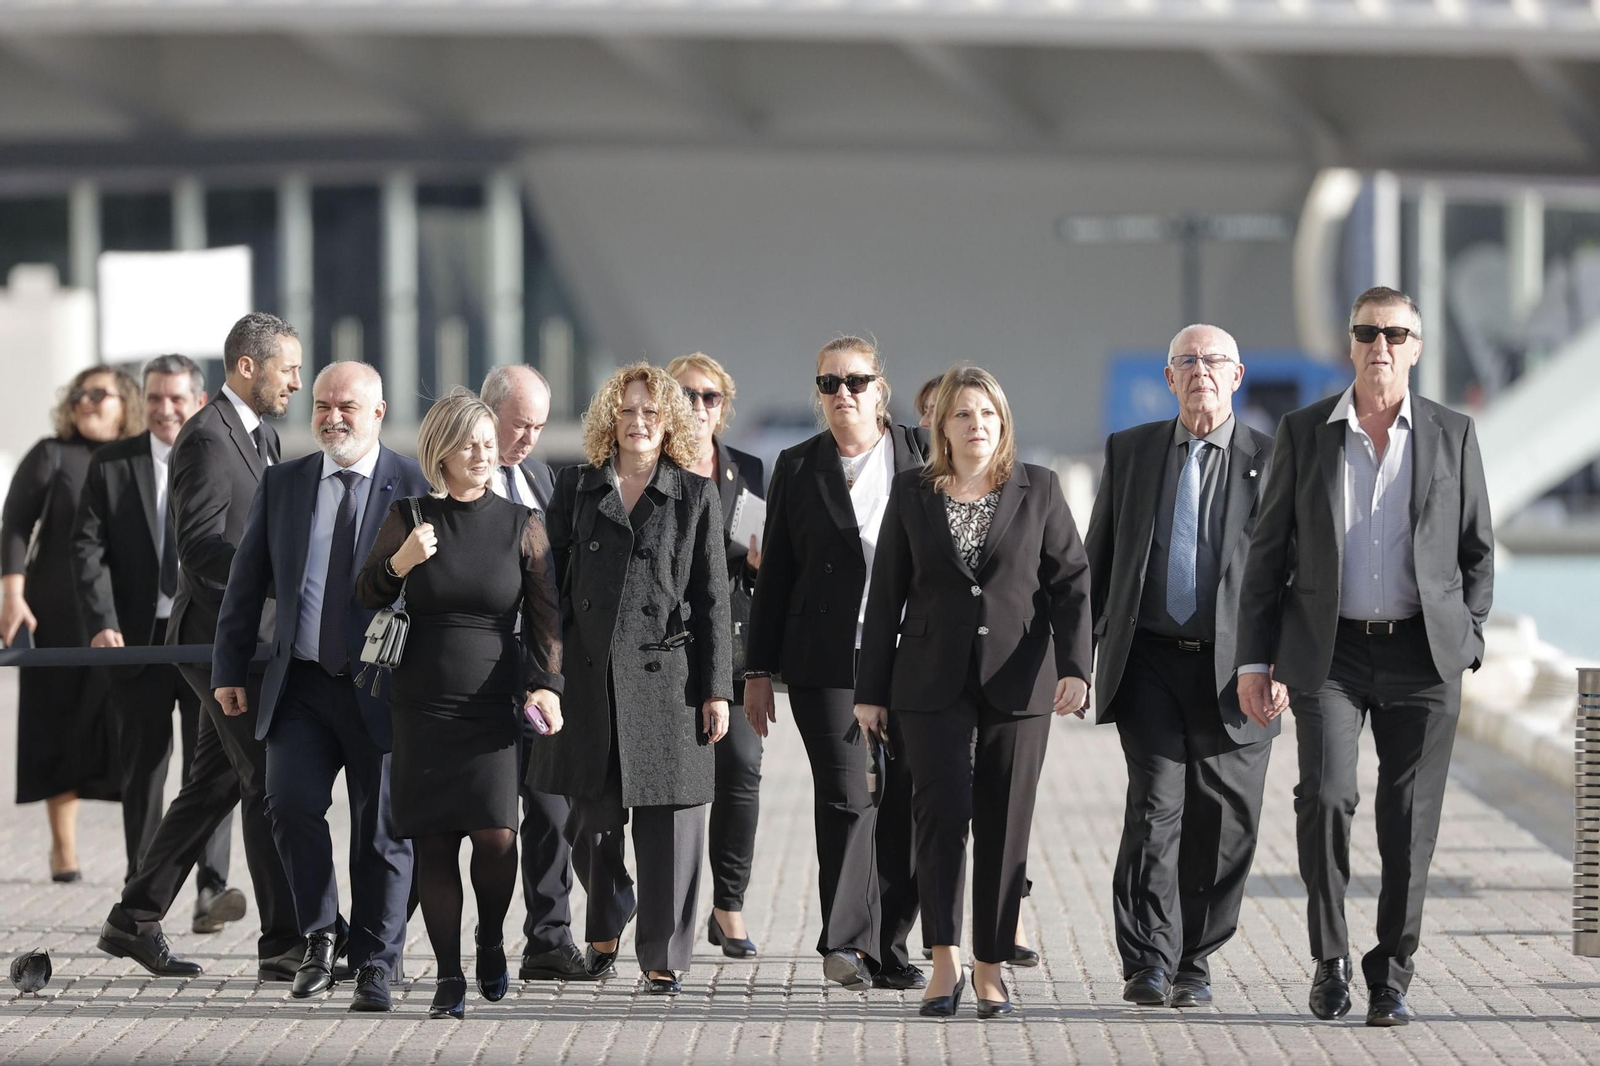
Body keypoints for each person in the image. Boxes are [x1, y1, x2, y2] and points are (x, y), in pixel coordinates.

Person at [1235, 286, 1494, 1027]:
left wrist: (1468, 637)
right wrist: (1257, 660)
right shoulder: (1305, 432)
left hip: (1424, 656)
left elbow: (1478, 550)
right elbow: (1267, 556)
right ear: (1349, 345)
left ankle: (1393, 972)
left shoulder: (1453, 434)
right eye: (1367, 332)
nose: (1380, 346)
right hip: (1331, 654)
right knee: (1325, 797)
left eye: (1395, 334)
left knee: (1409, 819)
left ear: (1416, 346)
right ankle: (1330, 958)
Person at [854, 365, 1091, 1018]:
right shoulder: (912, 493)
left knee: (1004, 823)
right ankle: (945, 961)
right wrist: (870, 690)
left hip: (1020, 679)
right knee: (940, 820)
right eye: (962, 414)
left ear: (1003, 422)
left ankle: (990, 965)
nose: (975, 425)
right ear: (940, 426)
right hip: (929, 683)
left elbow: (1071, 579)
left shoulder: (1038, 488)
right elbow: (886, 596)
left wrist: (1076, 666)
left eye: (986, 413)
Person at [213, 362, 430, 1012]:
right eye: (324, 405)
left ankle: (375, 963)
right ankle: (318, 934)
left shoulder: (413, 485)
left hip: (382, 685)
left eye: (348, 407)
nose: (334, 417)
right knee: (289, 805)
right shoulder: (285, 483)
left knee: (383, 832)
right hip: (301, 685)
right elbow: (246, 583)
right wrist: (227, 670)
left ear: (379, 412)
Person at [96, 312, 305, 981]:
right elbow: (203, 551)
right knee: (267, 780)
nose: (296, 383)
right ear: (247, 366)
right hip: (216, 639)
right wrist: (278, 581)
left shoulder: (262, 435)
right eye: (288, 369)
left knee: (215, 782)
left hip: (245, 640)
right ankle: (282, 947)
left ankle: (134, 917)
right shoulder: (209, 438)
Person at [1084, 326, 1284, 1010]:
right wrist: (1077, 657)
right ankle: (1148, 960)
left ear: (1238, 376)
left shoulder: (1276, 457)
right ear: (1169, 380)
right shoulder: (1132, 451)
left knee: (1225, 822)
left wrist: (1285, 661)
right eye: (1187, 362)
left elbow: (1303, 571)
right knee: (1154, 807)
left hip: (1242, 671)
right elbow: (1099, 558)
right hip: (1149, 663)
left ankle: (1195, 959)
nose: (1201, 371)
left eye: (1214, 361)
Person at [356, 388, 564, 1020]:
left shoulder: (520, 524)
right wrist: (401, 561)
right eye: (467, 443)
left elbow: (547, 618)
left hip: (494, 705)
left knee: (499, 837)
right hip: (422, 704)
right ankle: (448, 976)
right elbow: (366, 591)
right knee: (436, 843)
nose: (481, 453)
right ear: (440, 451)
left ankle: (491, 940)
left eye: (486, 442)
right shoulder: (410, 515)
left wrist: (547, 687)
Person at [527, 362, 732, 996]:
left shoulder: (693, 494)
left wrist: (716, 688)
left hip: (667, 677)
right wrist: (547, 675)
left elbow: (714, 597)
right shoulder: (576, 487)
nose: (638, 421)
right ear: (607, 420)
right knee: (589, 817)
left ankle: (661, 957)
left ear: (668, 419)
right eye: (626, 410)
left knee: (668, 825)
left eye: (649, 410)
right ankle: (610, 907)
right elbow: (547, 593)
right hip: (589, 678)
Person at [745, 336, 926, 992]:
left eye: (855, 381)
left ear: (880, 387)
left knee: (903, 799)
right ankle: (846, 940)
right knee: (848, 794)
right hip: (825, 658)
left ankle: (890, 944)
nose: (841, 394)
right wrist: (756, 669)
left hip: (909, 651)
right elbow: (777, 575)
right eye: (828, 384)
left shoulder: (919, 456)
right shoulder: (796, 466)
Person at [72, 355, 242, 933]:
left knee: (214, 766)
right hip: (139, 643)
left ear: (197, 401)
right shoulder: (111, 464)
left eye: (175, 398)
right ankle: (139, 886)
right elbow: (85, 548)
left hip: (202, 639)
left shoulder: (219, 453)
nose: (164, 409)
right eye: (153, 398)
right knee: (144, 770)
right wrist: (101, 620)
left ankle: (211, 889)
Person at [2, 364, 142, 881]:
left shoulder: (141, 456)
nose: (86, 401)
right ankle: (64, 850)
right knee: (54, 726)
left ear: (126, 402)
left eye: (99, 393)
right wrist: (12, 596)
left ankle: (141, 860)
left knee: (127, 731)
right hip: (56, 614)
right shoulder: (51, 454)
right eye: (79, 393)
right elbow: (15, 524)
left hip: (123, 615)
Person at [479, 364, 584, 983]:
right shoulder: (452, 477)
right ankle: (386, 943)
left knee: (550, 809)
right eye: (520, 424)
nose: (529, 438)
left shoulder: (540, 477)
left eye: (540, 427)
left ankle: (548, 939)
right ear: (490, 412)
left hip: (538, 677)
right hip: (474, 675)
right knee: (484, 820)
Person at [668, 352, 765, 959]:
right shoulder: (647, 464)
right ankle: (650, 905)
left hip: (732, 649)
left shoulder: (748, 471)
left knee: (742, 772)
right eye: (687, 395)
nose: (699, 406)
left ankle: (727, 905)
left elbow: (766, 564)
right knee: (670, 787)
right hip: (668, 650)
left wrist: (760, 563)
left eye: (710, 397)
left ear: (724, 408)